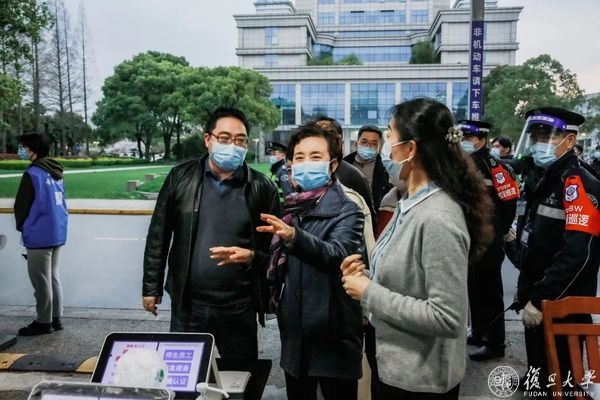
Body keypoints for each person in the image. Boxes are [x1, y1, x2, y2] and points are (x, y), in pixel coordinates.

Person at [341, 98, 494, 399]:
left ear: (410, 149)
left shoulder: (438, 217)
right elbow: (408, 280)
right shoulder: (409, 202)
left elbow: (446, 316)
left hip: (420, 381)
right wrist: (366, 276)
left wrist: (369, 293)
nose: (385, 150)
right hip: (396, 368)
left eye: (389, 138)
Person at [142, 107, 280, 361]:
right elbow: (158, 235)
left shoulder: (262, 187)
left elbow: (275, 252)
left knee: (240, 376)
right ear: (208, 139)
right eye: (224, 138)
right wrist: (151, 287)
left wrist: (252, 256)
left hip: (238, 307)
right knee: (184, 372)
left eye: (240, 140)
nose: (233, 146)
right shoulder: (181, 178)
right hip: (188, 306)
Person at [257, 123, 365, 400]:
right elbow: (288, 265)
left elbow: (336, 254)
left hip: (333, 339)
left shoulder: (348, 210)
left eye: (315, 157)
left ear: (332, 165)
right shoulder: (292, 208)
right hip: (295, 339)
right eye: (300, 157)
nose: (306, 163)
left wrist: (294, 236)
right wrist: (254, 258)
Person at [513, 107, 600, 395]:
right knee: (539, 360)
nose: (539, 143)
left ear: (570, 141)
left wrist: (539, 299)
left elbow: (577, 254)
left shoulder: (577, 183)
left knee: (561, 377)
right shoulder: (543, 177)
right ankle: (536, 378)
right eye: (535, 137)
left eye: (547, 137)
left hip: (563, 300)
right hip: (538, 289)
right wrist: (526, 289)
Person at [458, 120, 518, 361]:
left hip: (489, 238)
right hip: (468, 237)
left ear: (481, 141)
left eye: (467, 138)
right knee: (474, 286)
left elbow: (510, 201)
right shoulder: (461, 164)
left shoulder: (495, 167)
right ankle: (479, 332)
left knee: (490, 290)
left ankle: (495, 342)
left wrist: (499, 230)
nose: (462, 142)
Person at [14, 133, 68, 336]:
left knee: (40, 281)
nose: (21, 150)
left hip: (38, 233)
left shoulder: (33, 173)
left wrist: (23, 228)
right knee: (52, 277)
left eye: (22, 146)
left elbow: (21, 206)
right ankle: (56, 318)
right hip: (57, 231)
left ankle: (43, 322)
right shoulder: (54, 171)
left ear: (32, 149)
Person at [314, 116, 377, 228]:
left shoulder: (354, 176)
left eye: (328, 136)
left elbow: (368, 220)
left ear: (340, 142)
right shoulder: (299, 172)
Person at [344, 125, 392, 211]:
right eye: (364, 142)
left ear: (379, 148)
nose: (368, 146)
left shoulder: (386, 171)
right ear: (356, 144)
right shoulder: (343, 166)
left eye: (374, 144)